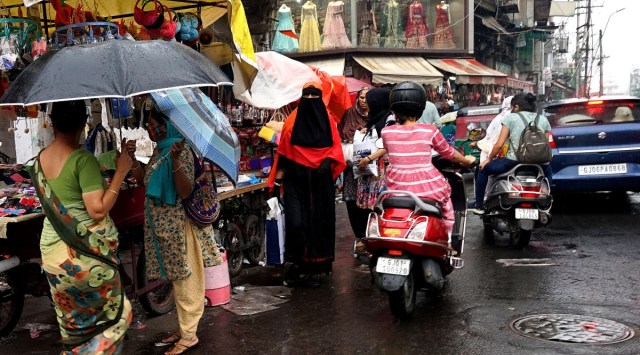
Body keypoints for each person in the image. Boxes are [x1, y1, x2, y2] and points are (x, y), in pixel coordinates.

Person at [28, 100, 134, 354]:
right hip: (85, 256)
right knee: (116, 317)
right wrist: (121, 171)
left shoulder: (40, 159)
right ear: (83, 123)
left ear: (52, 123)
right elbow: (97, 209)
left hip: (54, 257)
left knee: (73, 324)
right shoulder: (82, 160)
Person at [128, 103, 222, 355]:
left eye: (153, 123)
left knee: (186, 281)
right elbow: (143, 181)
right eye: (147, 123)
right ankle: (183, 328)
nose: (149, 128)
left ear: (166, 124)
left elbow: (184, 191)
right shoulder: (160, 151)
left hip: (181, 228)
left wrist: (178, 161)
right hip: (164, 229)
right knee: (177, 280)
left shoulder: (182, 150)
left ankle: (189, 335)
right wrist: (130, 159)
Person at [358, 81, 474, 244]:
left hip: (396, 187)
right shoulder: (430, 131)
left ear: (394, 108)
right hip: (428, 188)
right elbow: (449, 153)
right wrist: (466, 160)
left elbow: (388, 149)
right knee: (447, 203)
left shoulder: (387, 132)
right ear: (420, 107)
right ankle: (448, 241)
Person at [269, 82, 346, 287]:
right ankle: (299, 265)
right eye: (307, 97)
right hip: (296, 182)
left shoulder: (328, 120)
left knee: (320, 223)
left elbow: (336, 149)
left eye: (315, 97)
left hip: (321, 183)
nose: (311, 101)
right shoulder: (291, 123)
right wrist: (276, 185)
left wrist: (328, 161)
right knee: (296, 223)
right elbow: (284, 155)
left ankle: (317, 267)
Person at [470, 93, 553, 215]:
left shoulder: (510, 118)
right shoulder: (543, 119)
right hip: (540, 163)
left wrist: (488, 160)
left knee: (483, 170)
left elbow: (499, 144)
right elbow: (546, 144)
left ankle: (479, 206)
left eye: (512, 107)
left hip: (513, 161)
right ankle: (546, 202)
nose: (512, 110)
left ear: (517, 107)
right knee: (548, 174)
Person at [338, 87, 371, 240]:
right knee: (352, 202)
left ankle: (370, 234)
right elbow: (341, 133)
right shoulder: (349, 113)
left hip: (371, 169)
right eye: (362, 97)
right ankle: (359, 236)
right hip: (351, 166)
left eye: (367, 98)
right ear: (358, 98)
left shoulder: (376, 115)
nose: (364, 101)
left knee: (370, 201)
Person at [475, 96, 513, 164]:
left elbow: (495, 141)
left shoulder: (503, 117)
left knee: (483, 171)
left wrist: (478, 144)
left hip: (502, 157)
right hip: (519, 157)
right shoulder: (519, 117)